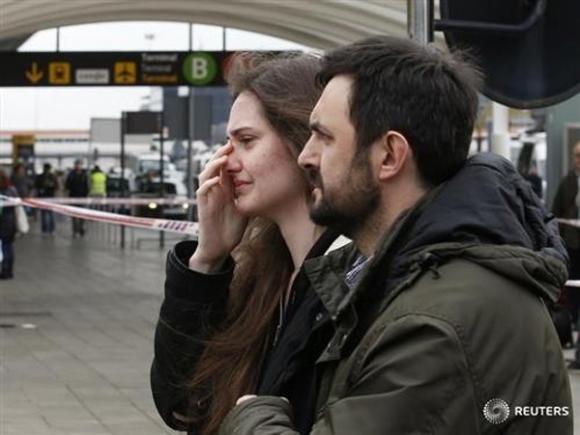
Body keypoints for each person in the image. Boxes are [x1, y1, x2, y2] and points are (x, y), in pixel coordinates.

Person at [219, 36, 573, 434]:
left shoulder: (434, 323)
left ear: (389, 155)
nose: (307, 156)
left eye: (325, 137)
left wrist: (252, 418)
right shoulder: (390, 277)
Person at [151, 53, 346, 435]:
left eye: (246, 141)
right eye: (228, 142)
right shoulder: (269, 274)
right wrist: (207, 261)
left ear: (304, 141)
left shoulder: (349, 279)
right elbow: (183, 404)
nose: (225, 162)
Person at [552, 140, 580, 369]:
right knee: (571, 290)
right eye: (577, 156)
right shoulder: (567, 183)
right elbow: (556, 212)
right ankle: (570, 327)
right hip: (572, 245)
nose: (579, 160)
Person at [0, 169, 19, 279]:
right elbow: (17, 203)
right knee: (8, 247)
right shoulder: (11, 189)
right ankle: (8, 271)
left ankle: (5, 271)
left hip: (3, 223)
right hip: (10, 223)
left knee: (4, 248)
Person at [65, 159, 89, 237]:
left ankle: (81, 227)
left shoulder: (85, 174)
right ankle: (75, 231)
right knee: (74, 215)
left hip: (82, 197)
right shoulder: (71, 174)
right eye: (77, 164)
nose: (78, 166)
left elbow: (87, 186)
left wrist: (87, 195)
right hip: (73, 197)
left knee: (82, 214)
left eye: (80, 164)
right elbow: (67, 185)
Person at [34, 163, 58, 234]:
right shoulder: (41, 177)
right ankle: (47, 229)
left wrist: (51, 185)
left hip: (49, 196)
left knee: (49, 213)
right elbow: (36, 186)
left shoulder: (52, 177)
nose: (47, 170)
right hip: (44, 196)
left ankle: (49, 229)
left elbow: (56, 186)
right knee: (45, 213)